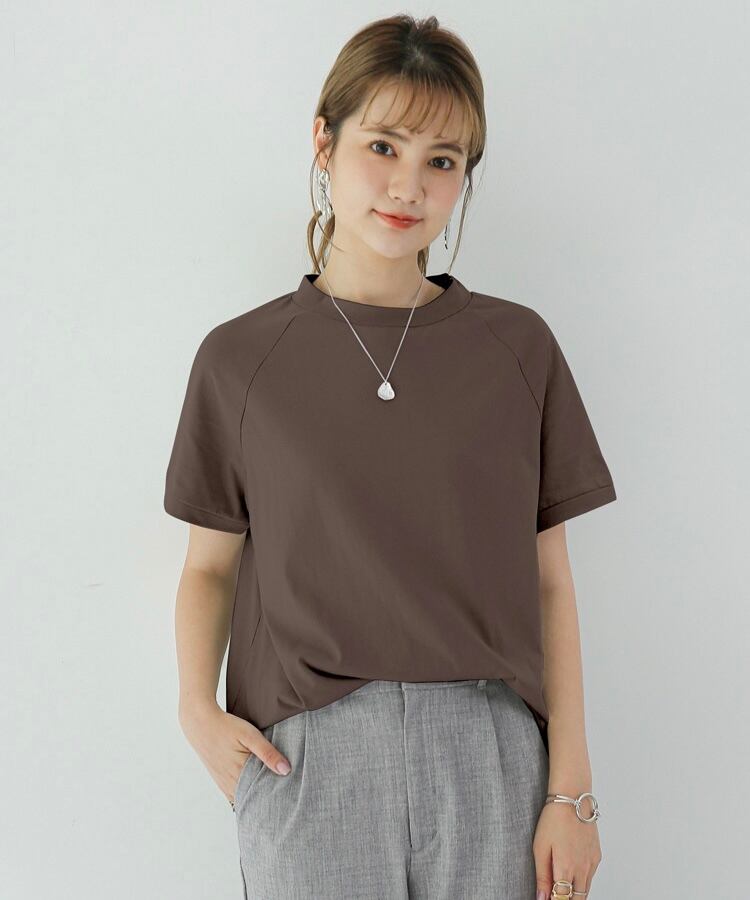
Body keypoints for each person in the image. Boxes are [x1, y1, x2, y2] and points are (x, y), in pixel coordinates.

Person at [164, 14, 616, 900]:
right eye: (383, 146)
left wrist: (572, 790)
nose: (409, 186)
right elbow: (209, 567)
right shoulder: (239, 360)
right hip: (306, 759)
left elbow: (551, 582)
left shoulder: (516, 350)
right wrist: (195, 712)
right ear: (323, 142)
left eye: (442, 161)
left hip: (489, 752)